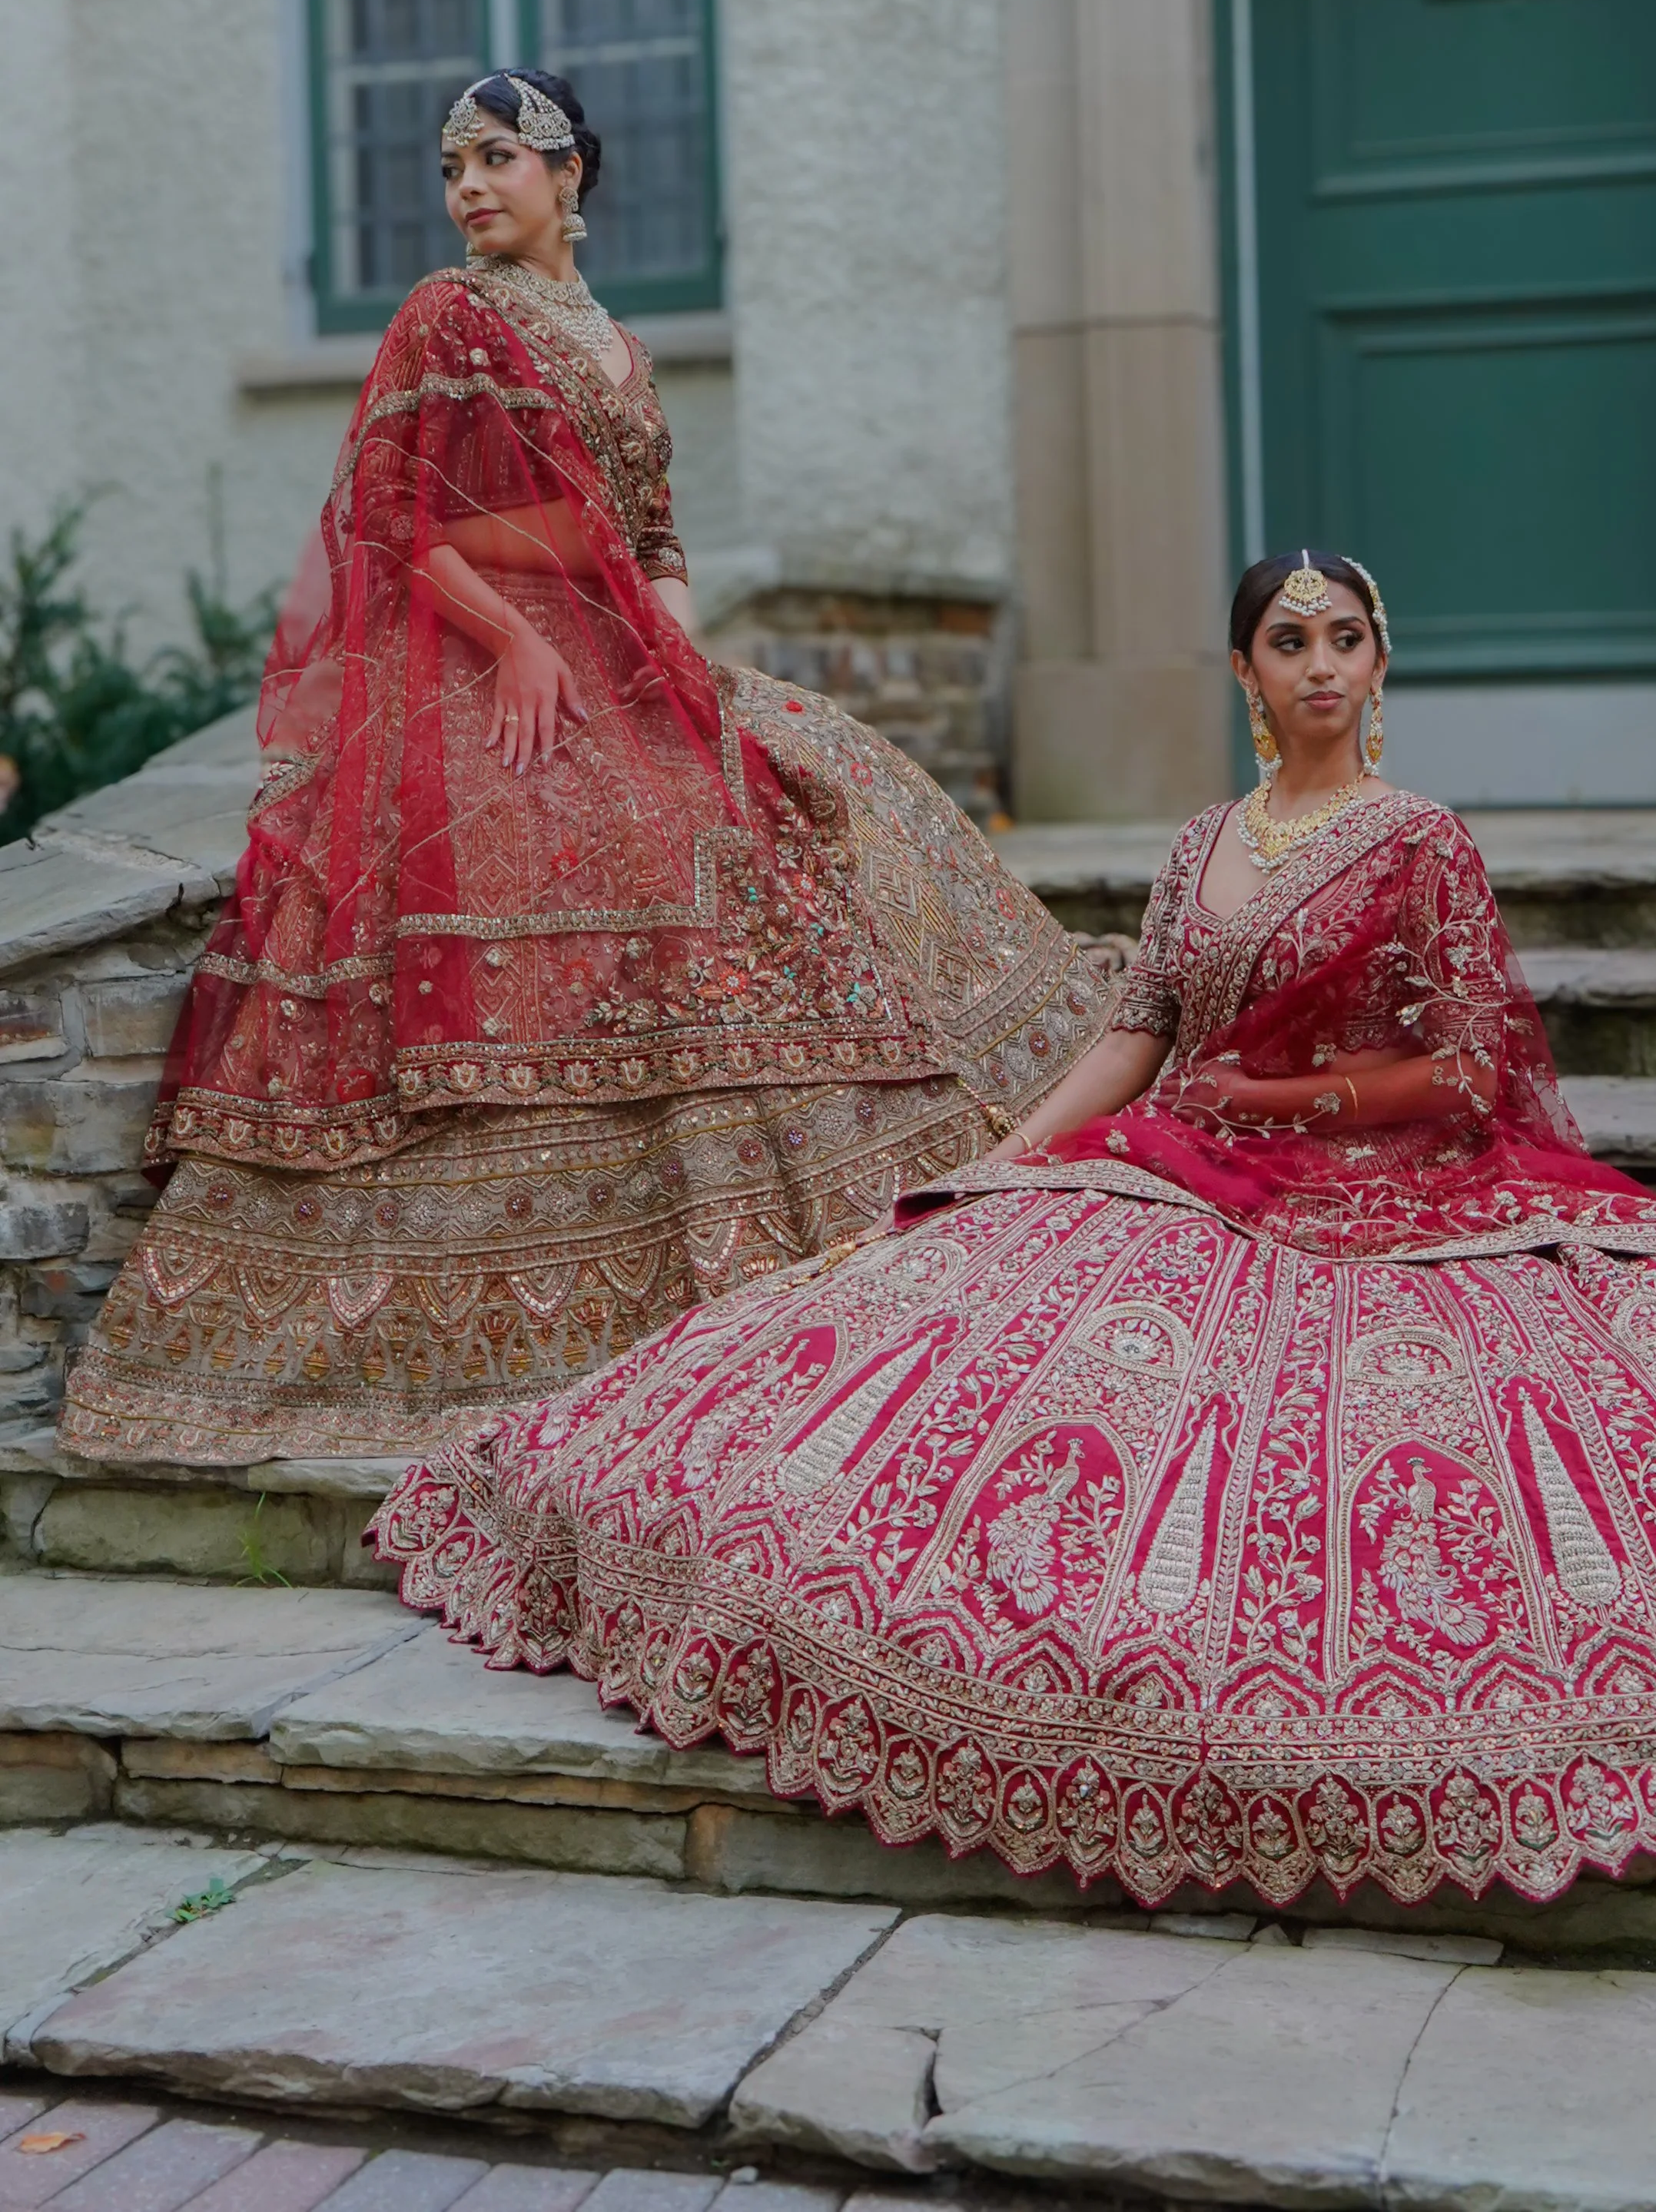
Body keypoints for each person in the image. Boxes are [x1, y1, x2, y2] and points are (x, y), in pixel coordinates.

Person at [376, 546, 1656, 1911]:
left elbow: (1465, 1071)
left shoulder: (1419, 840)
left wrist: (1281, 1102)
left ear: (1380, 663)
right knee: (926, 1351)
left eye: (1347, 638)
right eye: (1288, 642)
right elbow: (1135, 1028)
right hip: (1177, 1158)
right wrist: (1009, 1158)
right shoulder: (1203, 842)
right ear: (1244, 670)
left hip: (1379, 1193)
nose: (1320, 666)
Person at [59, 71, 1107, 1464]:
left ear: (569, 174)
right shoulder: (449, 315)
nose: (469, 188)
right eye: (453, 167)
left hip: (626, 652)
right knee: (624, 835)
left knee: (808, 788)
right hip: (478, 662)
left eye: (498, 157)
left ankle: (916, 1189)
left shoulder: (618, 345)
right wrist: (519, 643)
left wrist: (685, 668)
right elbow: (386, 522)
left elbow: (655, 539)